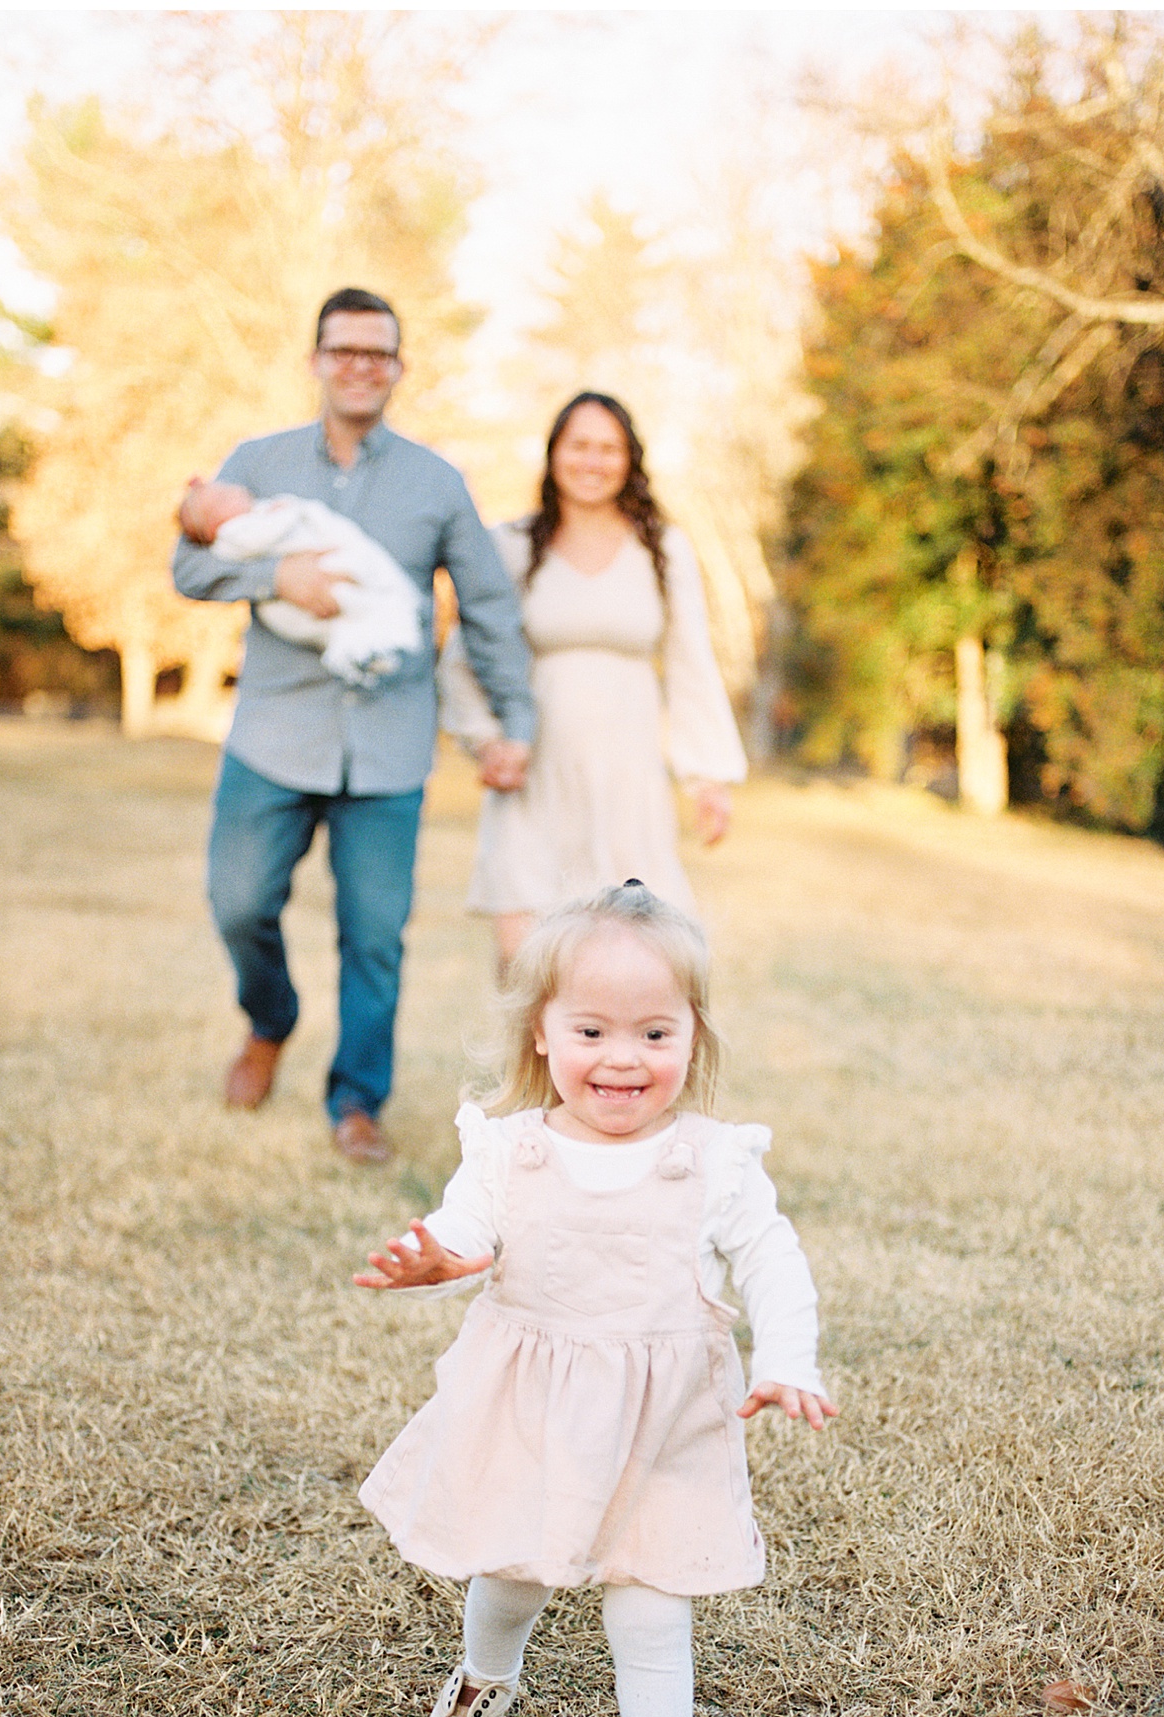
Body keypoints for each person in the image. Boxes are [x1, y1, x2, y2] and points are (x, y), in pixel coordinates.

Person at [352, 881, 836, 1717]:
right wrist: (434, 1260)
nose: (623, 1058)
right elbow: (465, 1231)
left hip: (664, 1428)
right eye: (592, 1030)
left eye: (655, 1033)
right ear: (540, 1033)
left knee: (652, 1609)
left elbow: (773, 1259)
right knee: (513, 1569)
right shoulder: (509, 1150)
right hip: (534, 1410)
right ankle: (487, 1674)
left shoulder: (713, 1162)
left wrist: (789, 1358)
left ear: (694, 1037)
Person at [174, 287, 537, 1164]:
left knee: (374, 937)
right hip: (274, 737)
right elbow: (190, 563)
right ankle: (270, 1022)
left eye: (378, 354)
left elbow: (486, 606)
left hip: (388, 748)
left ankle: (358, 1100)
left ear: (399, 369)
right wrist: (275, 583)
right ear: (316, 361)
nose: (360, 367)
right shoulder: (257, 462)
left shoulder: (436, 482)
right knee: (238, 903)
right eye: (344, 351)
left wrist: (514, 719)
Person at [439, 393, 748, 972]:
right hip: (534, 780)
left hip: (628, 783)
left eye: (610, 448)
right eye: (579, 445)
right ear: (553, 454)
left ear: (631, 460)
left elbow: (690, 663)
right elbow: (464, 658)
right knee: (526, 963)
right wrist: (486, 741)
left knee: (634, 964)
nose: (593, 461)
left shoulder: (663, 547)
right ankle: (527, 1067)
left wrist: (707, 777)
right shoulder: (511, 545)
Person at [191, 480, 421, 686]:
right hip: (288, 616)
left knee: (356, 591)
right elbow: (187, 571)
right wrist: (277, 576)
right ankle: (365, 644)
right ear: (213, 527)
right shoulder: (234, 531)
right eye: (222, 498)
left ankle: (370, 640)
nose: (235, 491)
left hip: (324, 564)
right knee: (347, 604)